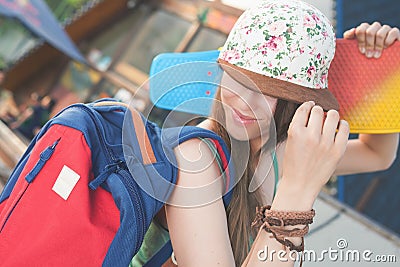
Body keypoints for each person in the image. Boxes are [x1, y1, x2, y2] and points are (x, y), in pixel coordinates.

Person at [131, 1, 400, 266]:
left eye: (269, 90)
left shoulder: (276, 152)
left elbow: (376, 155)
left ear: (295, 102)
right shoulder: (195, 161)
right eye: (239, 77)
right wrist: (297, 190)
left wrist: (383, 68)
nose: (245, 100)